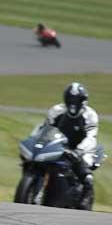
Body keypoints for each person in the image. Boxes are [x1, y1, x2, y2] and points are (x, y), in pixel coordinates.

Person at [46, 82, 100, 210]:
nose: (73, 103)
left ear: (83, 101)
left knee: (86, 172)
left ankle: (86, 195)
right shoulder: (56, 111)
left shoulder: (90, 115)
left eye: (77, 100)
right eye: (70, 99)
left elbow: (91, 137)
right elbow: (45, 130)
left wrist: (79, 150)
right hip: (60, 145)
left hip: (83, 149)